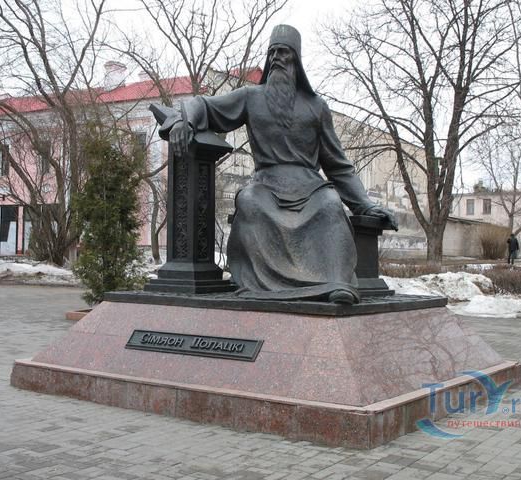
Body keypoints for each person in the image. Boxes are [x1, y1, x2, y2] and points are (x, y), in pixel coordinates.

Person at [162, 24, 397, 305]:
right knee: (249, 201)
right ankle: (260, 284)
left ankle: (336, 282)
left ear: (296, 59)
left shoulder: (317, 107)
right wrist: (183, 121)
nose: (276, 58)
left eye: (283, 52)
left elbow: (338, 165)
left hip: (311, 188)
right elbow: (205, 105)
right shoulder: (250, 97)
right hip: (266, 186)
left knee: (330, 206)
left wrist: (365, 204)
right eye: (272, 53)